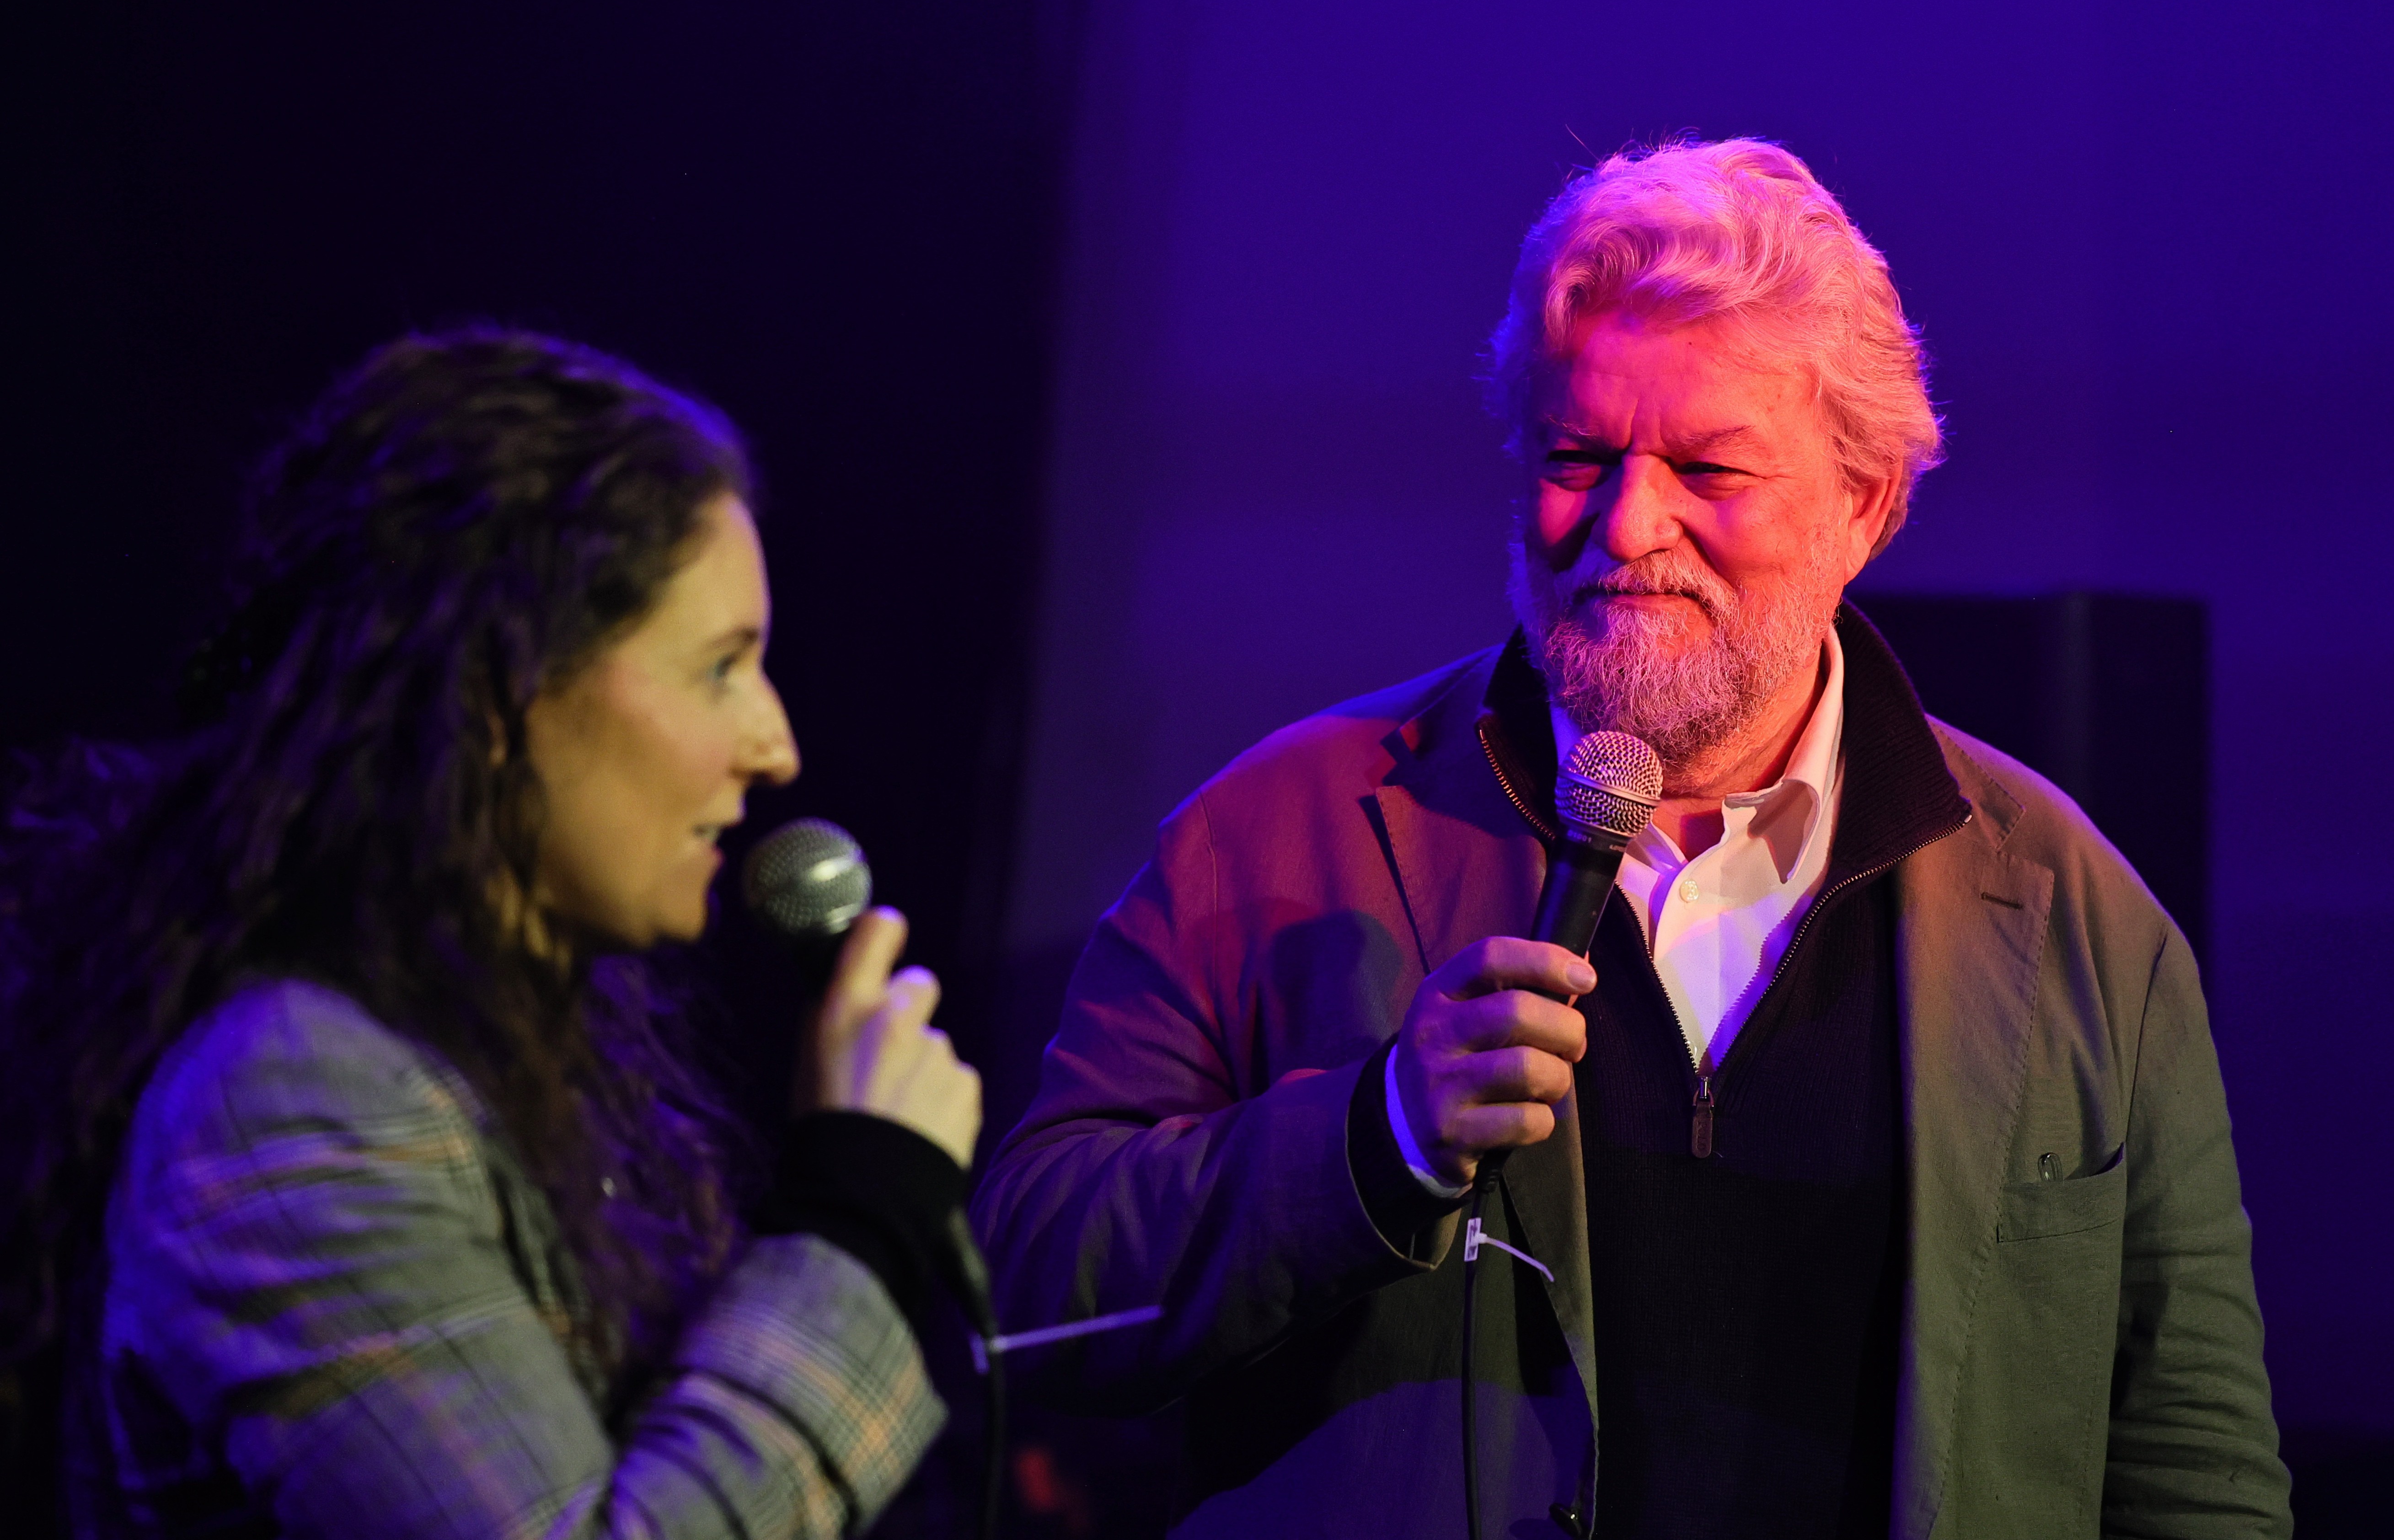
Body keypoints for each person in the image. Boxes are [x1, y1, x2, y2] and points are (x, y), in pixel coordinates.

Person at [972, 139, 2290, 1538]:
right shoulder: (1275, 836)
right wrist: (1373, 1143)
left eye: (1707, 467)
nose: (1624, 523)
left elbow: (2190, 1462)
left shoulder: (2076, 914)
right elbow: (1032, 1292)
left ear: (1865, 506)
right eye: (1576, 456)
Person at [0, 329, 982, 1537]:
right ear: (500, 694)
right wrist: (858, 1220)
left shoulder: (521, 1060)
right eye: (720, 667)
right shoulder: (296, 1099)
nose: (776, 745)